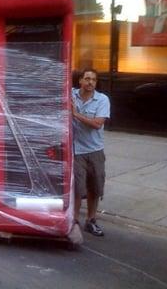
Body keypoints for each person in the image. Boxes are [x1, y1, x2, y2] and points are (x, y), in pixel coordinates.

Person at [71, 68, 110, 237]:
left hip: (95, 150)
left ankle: (91, 220)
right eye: (87, 79)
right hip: (76, 151)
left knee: (94, 188)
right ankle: (74, 222)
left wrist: (75, 114)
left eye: (93, 79)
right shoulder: (71, 95)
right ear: (80, 81)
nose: (90, 82)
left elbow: (97, 124)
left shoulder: (102, 100)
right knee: (78, 190)